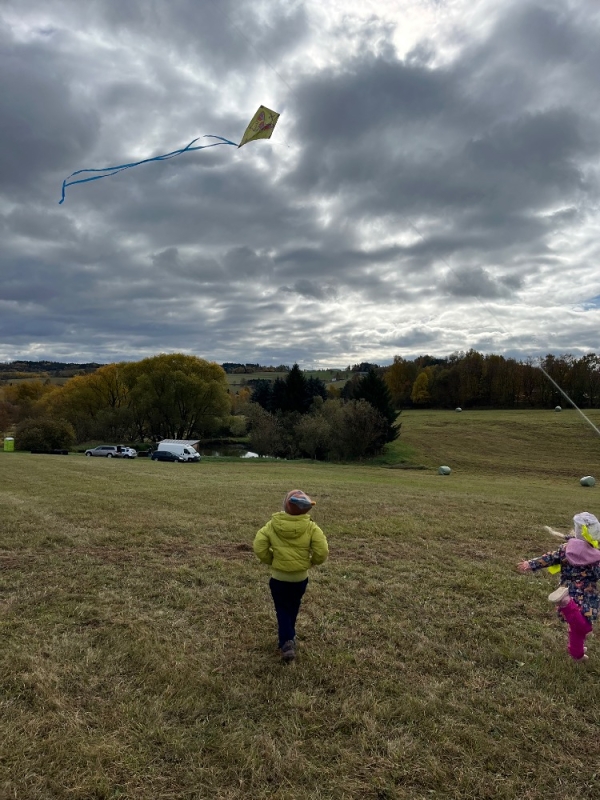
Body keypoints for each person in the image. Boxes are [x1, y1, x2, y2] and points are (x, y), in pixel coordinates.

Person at [253, 490, 329, 662]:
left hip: (278, 578)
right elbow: (322, 551)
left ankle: (287, 640)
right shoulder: (311, 527)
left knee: (281, 608)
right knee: (293, 606)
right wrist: (312, 562)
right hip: (299, 579)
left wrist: (270, 559)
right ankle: (289, 636)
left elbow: (259, 545)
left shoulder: (272, 525)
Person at [517, 512, 600, 661]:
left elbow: (549, 558)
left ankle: (577, 648)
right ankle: (576, 653)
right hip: (587, 595)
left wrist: (530, 564)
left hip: (567, 588)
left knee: (575, 626)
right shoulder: (596, 556)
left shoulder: (566, 548)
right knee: (584, 626)